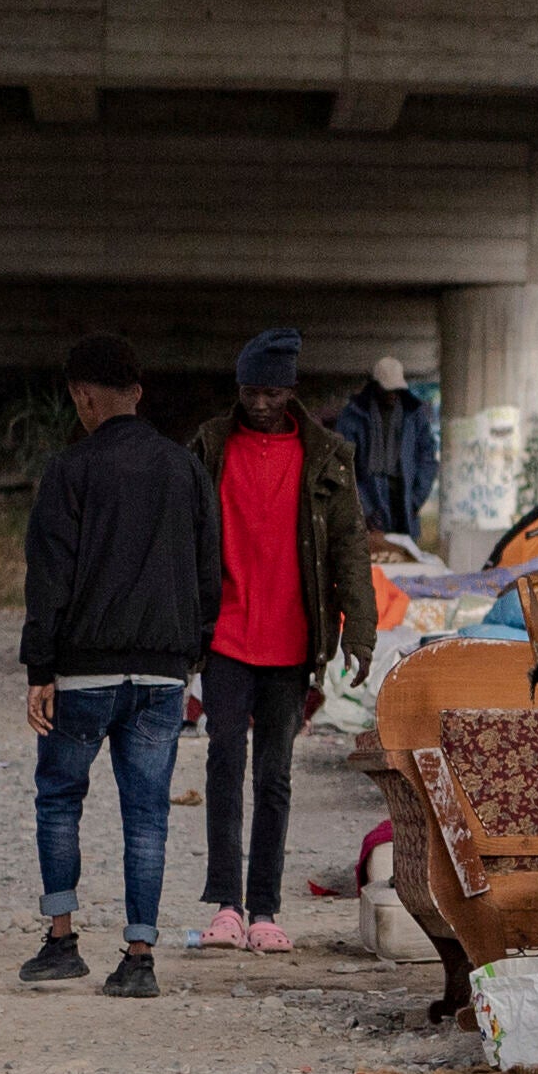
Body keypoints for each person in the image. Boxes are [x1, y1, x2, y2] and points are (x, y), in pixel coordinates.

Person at [15, 333, 211, 996]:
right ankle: (139, 958)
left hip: (83, 672)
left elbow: (48, 579)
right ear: (139, 392)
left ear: (85, 396)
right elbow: (209, 571)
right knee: (147, 813)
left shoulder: (70, 471)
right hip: (161, 674)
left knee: (60, 799)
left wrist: (40, 668)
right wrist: (191, 654)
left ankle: (62, 941)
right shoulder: (184, 469)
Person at [186, 328, 372, 951]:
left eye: (271, 391)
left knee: (274, 776)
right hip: (226, 636)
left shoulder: (328, 457)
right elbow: (183, 540)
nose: (260, 403)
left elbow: (350, 548)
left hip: (293, 642)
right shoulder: (211, 446)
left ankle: (264, 909)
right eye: (250, 390)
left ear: (290, 390)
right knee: (222, 762)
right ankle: (226, 906)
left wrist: (360, 636)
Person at [333, 354, 439, 541]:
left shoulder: (414, 413)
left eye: (397, 389)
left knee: (405, 558)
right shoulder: (353, 415)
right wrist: (363, 507)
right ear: (375, 386)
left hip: (405, 497)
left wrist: (416, 499)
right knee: (373, 559)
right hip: (369, 495)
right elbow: (343, 463)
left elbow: (427, 457)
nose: (393, 394)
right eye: (387, 389)